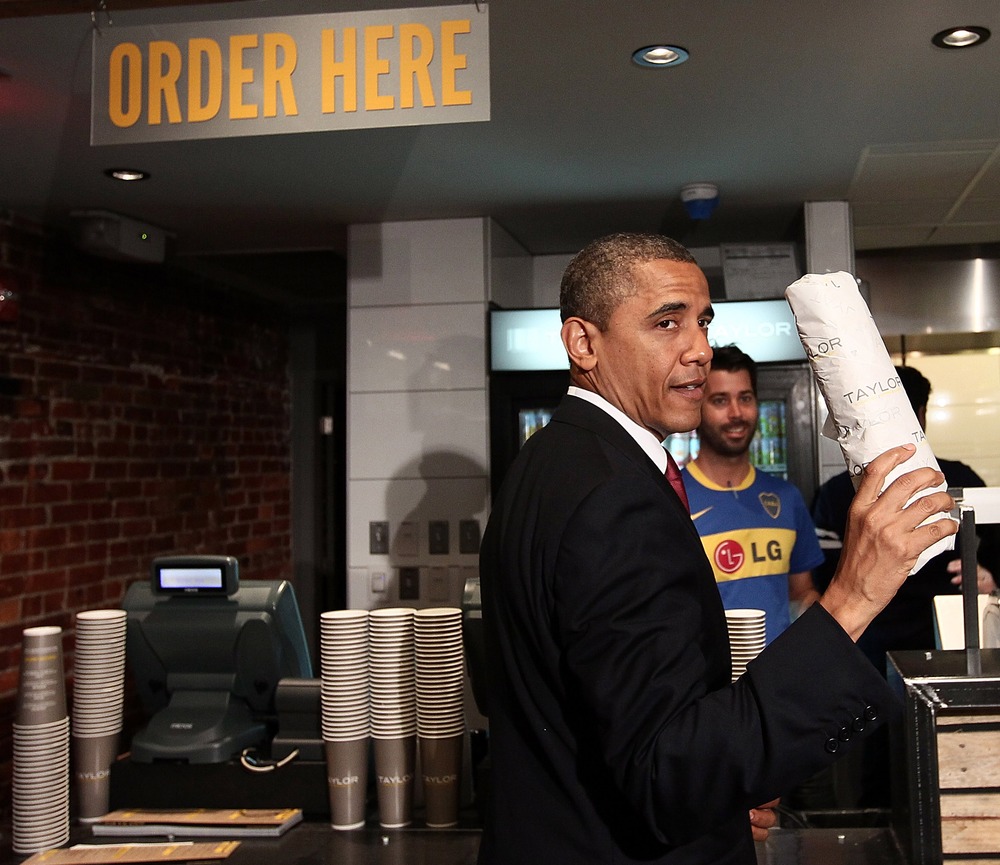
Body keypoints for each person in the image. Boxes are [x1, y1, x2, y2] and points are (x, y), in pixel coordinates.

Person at [478, 232, 957, 864]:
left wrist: (724, 788)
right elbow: (667, 778)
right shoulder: (615, 496)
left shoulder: (550, 459)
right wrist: (853, 598)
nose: (699, 350)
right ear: (583, 342)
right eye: (665, 323)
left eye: (702, 322)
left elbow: (622, 726)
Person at [812, 364, 1000, 676]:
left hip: (945, 643)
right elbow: (824, 581)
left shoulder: (960, 481)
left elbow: (995, 548)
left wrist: (988, 578)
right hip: (867, 648)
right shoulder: (835, 494)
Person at [682, 345, 822, 644]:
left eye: (745, 398)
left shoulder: (786, 498)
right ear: (697, 407)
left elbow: (801, 594)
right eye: (720, 400)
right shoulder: (672, 499)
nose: (736, 413)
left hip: (778, 681)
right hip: (707, 684)